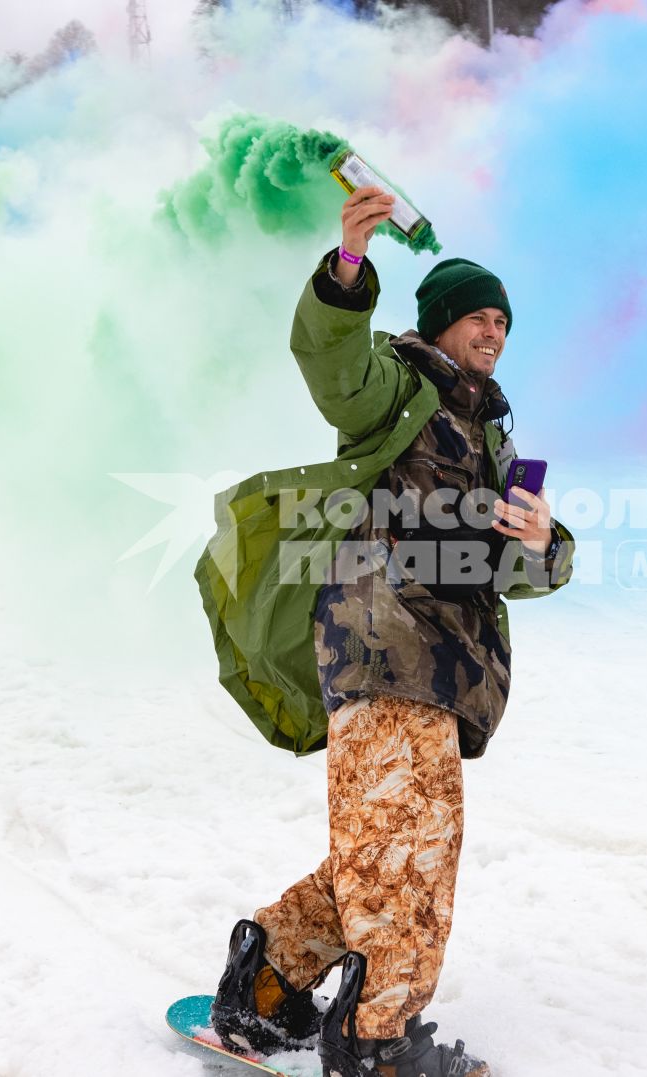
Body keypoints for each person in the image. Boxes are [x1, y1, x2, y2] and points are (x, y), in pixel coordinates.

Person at [197, 186, 575, 1077]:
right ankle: (379, 1042)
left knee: (380, 847)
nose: (494, 332)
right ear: (440, 324)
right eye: (478, 317)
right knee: (411, 854)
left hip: (442, 666)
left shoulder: (489, 442)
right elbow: (334, 362)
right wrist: (351, 264)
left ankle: (269, 985)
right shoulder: (396, 388)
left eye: (503, 322)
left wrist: (541, 540)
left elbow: (518, 574)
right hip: (381, 644)